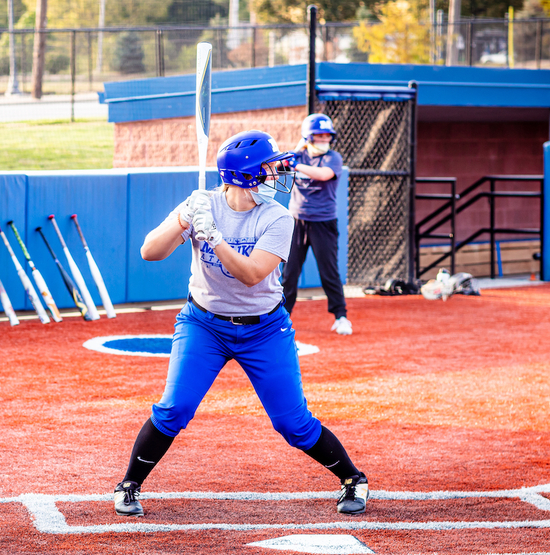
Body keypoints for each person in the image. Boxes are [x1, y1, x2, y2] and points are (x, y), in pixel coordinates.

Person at [112, 130, 370, 519]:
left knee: (292, 423)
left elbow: (250, 275)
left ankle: (353, 479)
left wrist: (212, 236)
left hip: (264, 329)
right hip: (204, 324)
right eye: (267, 168)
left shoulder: (278, 218)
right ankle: (129, 485)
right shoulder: (202, 204)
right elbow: (150, 251)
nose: (275, 173)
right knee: (174, 409)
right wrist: (184, 218)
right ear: (246, 176)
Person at [282, 113, 352, 335]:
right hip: (296, 221)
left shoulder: (334, 158)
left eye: (327, 136)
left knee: (328, 272)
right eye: (318, 136)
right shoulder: (298, 155)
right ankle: (282, 318)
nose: (324, 140)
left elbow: (323, 175)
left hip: (323, 222)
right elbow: (282, 168)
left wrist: (297, 166)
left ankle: (341, 316)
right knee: (289, 272)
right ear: (308, 137)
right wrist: (297, 150)